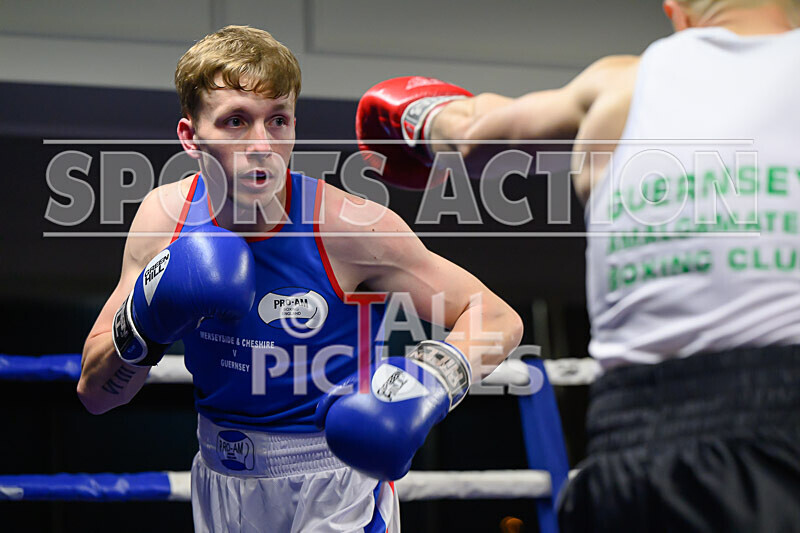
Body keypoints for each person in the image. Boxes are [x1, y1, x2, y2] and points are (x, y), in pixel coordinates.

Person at [356, 1, 800, 531]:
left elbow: (468, 130)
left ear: (675, 12)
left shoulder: (615, 85)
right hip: (779, 421)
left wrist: (419, 116)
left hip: (626, 447)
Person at [77, 25, 523, 533]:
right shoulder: (164, 218)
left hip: (333, 482)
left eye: (278, 120)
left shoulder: (350, 229)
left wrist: (428, 381)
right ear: (191, 137)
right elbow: (97, 395)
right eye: (236, 122)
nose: (262, 145)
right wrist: (143, 324)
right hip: (220, 478)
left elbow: (496, 317)